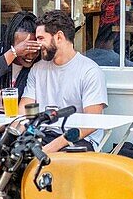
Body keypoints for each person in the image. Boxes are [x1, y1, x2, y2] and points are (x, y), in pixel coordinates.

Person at [19, 9, 107, 152]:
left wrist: (49, 149)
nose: (37, 44)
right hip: (43, 135)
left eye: (41, 38)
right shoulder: (37, 69)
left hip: (77, 139)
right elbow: (25, 109)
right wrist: (16, 136)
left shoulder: (89, 71)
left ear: (59, 37)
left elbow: (92, 122)